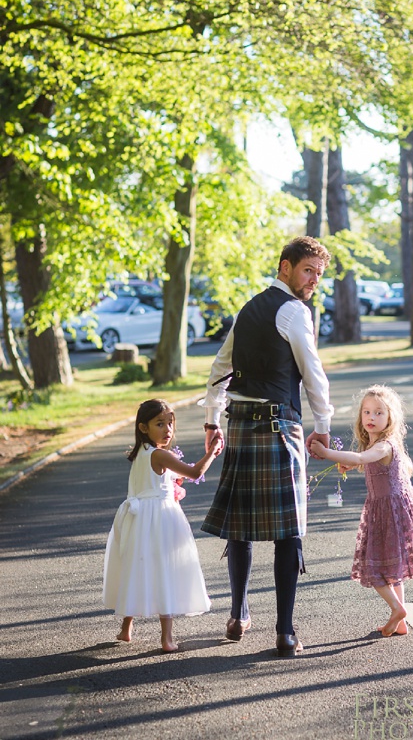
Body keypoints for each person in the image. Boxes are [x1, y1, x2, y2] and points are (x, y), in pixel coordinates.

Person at [201, 236, 333, 656]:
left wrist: (212, 419)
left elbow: (219, 369)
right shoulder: (295, 312)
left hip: (241, 425)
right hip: (279, 427)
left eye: (318, 274)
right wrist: (323, 425)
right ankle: (285, 630)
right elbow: (313, 373)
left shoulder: (248, 308)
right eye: (308, 270)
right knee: (287, 531)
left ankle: (239, 615)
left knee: (240, 528)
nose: (313, 280)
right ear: (285, 267)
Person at [103, 398, 223, 652]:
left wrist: (173, 484)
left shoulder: (141, 454)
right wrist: (212, 452)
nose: (168, 430)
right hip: (160, 519)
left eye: (170, 423)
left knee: (136, 567)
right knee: (164, 569)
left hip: (138, 520)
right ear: (143, 427)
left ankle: (126, 628)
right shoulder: (159, 454)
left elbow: (161, 480)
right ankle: (166, 638)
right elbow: (194, 473)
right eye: (160, 424)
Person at [310, 384, 413, 637]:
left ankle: (398, 609)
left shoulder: (384, 445)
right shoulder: (378, 445)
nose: (372, 418)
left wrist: (326, 452)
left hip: (389, 510)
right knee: (392, 565)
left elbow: (364, 458)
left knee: (375, 566)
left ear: (391, 417)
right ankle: (401, 621)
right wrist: (351, 466)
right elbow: (370, 464)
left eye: (379, 413)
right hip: (391, 506)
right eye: (367, 412)